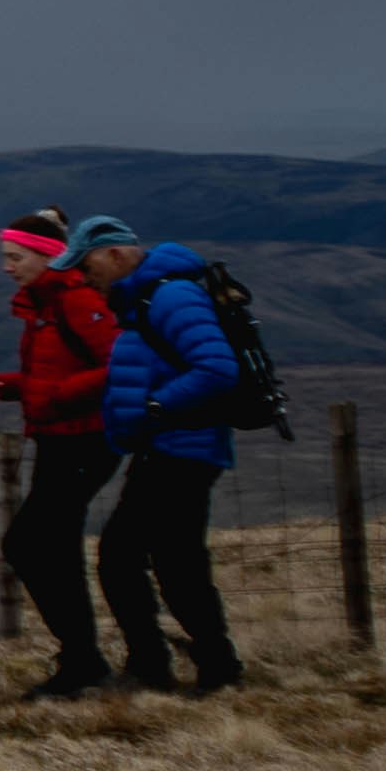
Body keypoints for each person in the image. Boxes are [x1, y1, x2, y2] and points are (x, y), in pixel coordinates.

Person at [75, 215, 244, 694]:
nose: (87, 279)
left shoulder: (170, 296)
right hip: (171, 446)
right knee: (173, 558)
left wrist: (155, 406)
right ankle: (212, 665)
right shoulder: (150, 298)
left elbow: (215, 367)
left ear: (115, 254)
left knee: (127, 555)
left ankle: (162, 665)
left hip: (181, 446)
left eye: (88, 267)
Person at [0, 207, 129, 696]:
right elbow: (59, 374)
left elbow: (120, 362)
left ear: (47, 255)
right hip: (60, 438)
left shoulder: (73, 300)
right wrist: (15, 387)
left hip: (83, 439)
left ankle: (83, 660)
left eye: (15, 256)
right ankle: (82, 662)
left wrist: (57, 396)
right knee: (55, 550)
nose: (7, 266)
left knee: (27, 544)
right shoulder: (46, 303)